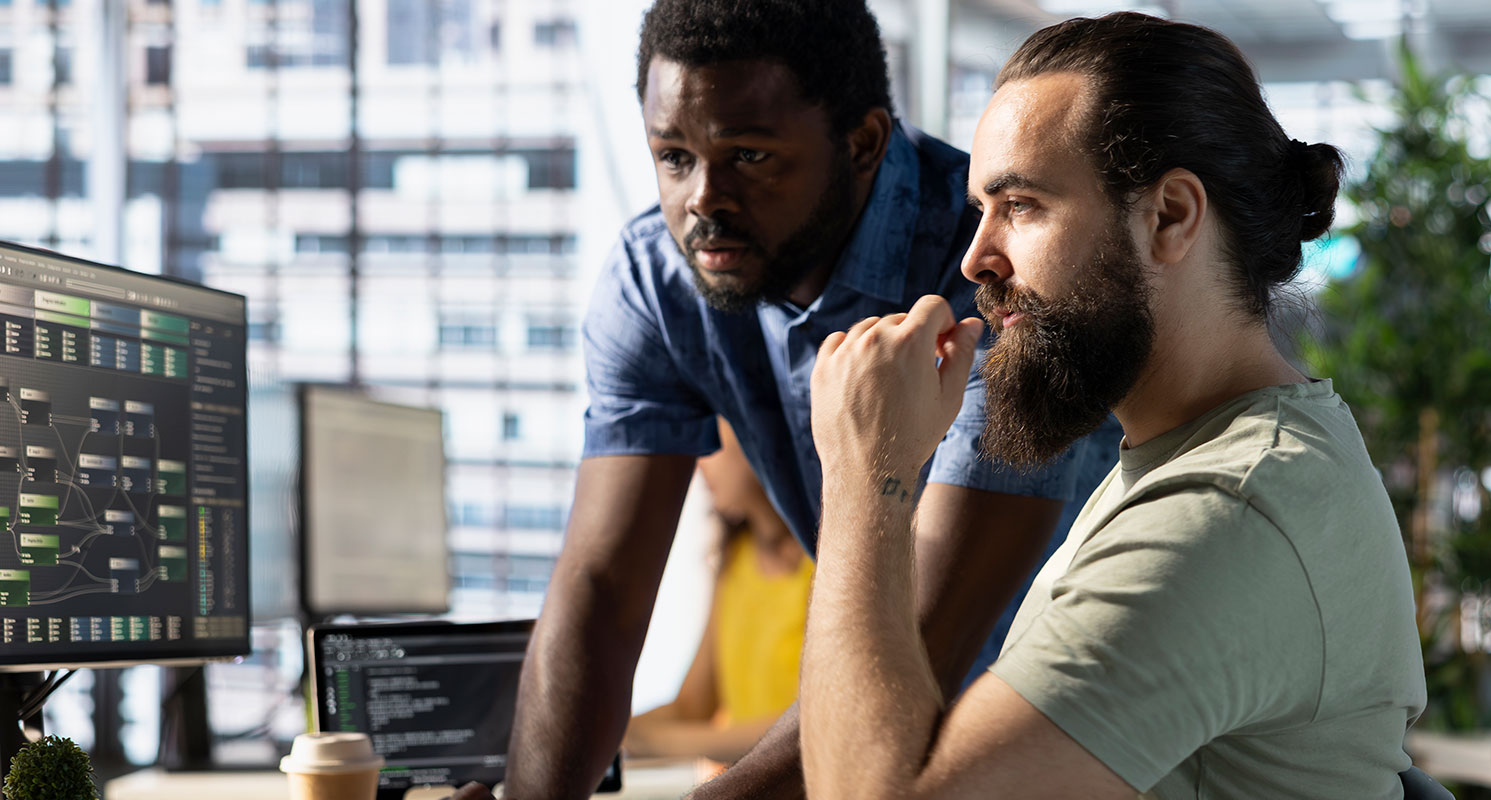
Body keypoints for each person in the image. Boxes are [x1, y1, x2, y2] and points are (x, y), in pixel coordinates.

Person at [451, 1, 1119, 798]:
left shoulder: (998, 271)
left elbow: (933, 637)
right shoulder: (659, 281)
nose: (702, 199)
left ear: (863, 141)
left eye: (750, 156)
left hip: (1095, 741)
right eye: (674, 157)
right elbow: (602, 591)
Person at [798, 13, 1426, 799]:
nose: (975, 258)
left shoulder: (1227, 511)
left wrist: (866, 474)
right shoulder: (1181, 456)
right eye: (979, 211)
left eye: (1021, 205)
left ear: (1169, 217)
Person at [620, 420, 811, 766]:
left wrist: (654, 741)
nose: (698, 462)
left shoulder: (829, 559)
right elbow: (693, 706)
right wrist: (607, 733)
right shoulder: (736, 559)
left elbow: (814, 723)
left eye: (711, 438)